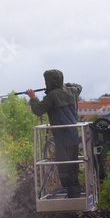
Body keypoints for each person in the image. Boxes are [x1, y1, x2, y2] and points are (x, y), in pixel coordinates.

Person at [27, 69, 82, 198]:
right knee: (72, 165)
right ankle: (75, 192)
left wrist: (33, 98)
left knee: (64, 167)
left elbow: (38, 110)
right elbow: (79, 86)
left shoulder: (52, 96)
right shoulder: (71, 91)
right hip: (73, 136)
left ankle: (73, 194)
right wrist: (66, 85)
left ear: (48, 81)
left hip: (62, 138)